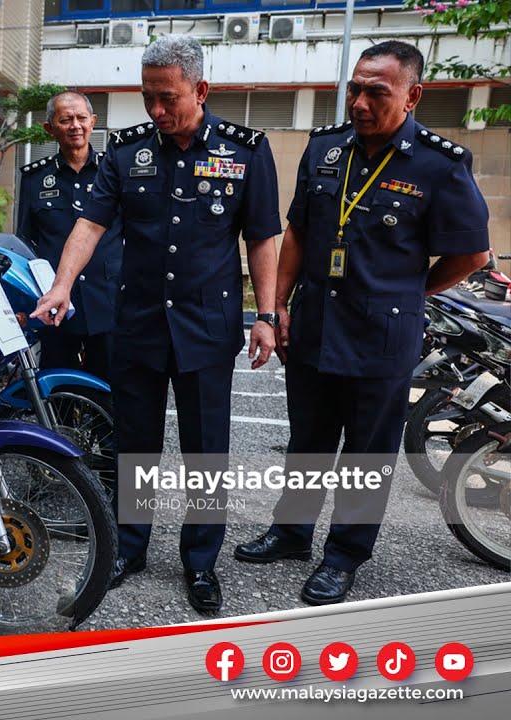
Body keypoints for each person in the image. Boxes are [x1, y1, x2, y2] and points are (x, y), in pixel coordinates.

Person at [233, 41, 490, 605]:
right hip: (316, 326)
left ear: (412, 96)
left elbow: (472, 254)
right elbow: (297, 232)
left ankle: (345, 555)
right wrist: (275, 309)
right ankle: (291, 532)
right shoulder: (325, 149)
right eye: (355, 88)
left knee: (367, 452)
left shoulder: (440, 164)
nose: (360, 101)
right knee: (308, 441)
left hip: (382, 336)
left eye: (378, 91)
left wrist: (414, 289)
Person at [31, 34, 280, 613]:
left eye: (168, 98)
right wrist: (62, 285)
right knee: (136, 445)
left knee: (205, 450)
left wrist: (266, 315)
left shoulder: (246, 149)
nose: (157, 111)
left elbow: (262, 236)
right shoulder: (128, 150)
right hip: (137, 322)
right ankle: (130, 546)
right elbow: (90, 224)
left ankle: (200, 562)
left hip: (207, 325)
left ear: (202, 89)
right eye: (148, 97)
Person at [16, 91, 122, 381]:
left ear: (93, 122)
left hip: (108, 301)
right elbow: (26, 242)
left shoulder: (113, 174)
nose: (75, 125)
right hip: (58, 305)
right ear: (50, 128)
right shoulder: (34, 179)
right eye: (66, 120)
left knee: (110, 389)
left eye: (81, 118)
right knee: (58, 387)